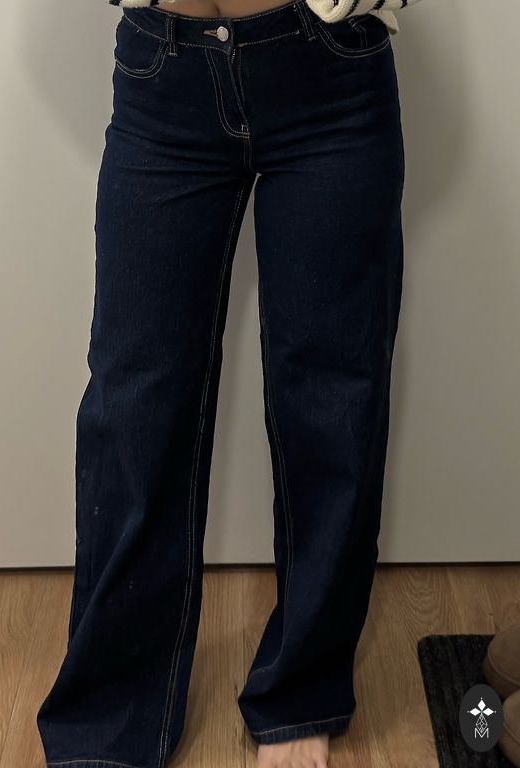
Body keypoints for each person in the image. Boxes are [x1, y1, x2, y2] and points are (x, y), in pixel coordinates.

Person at [36, 0, 411, 766]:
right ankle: (110, 717)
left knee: (331, 396)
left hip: (329, 73)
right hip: (161, 75)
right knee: (134, 401)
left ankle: (302, 690)